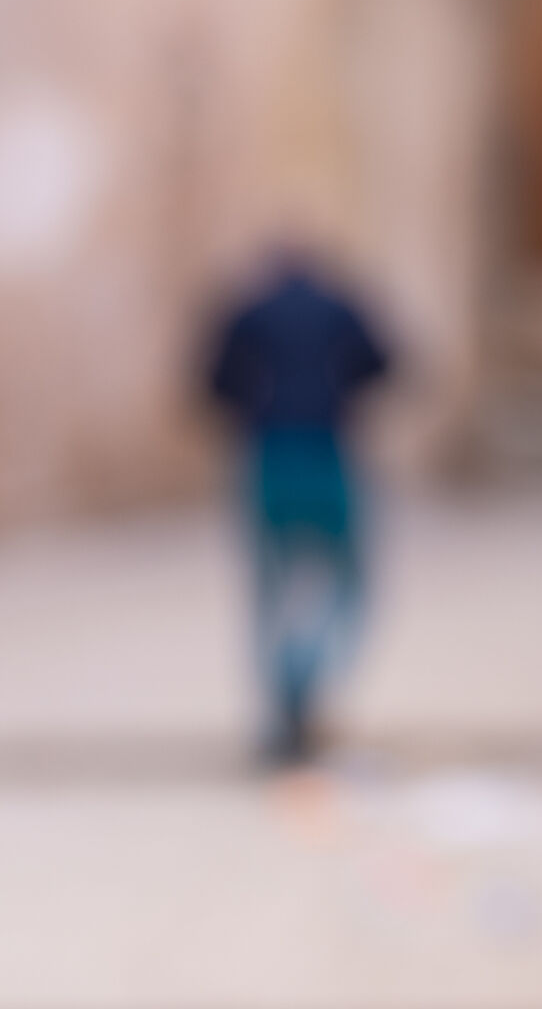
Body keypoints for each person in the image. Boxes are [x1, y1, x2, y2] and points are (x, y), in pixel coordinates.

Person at [203, 250, 391, 765]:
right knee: (346, 581)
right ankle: (306, 677)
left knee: (272, 588)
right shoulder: (341, 305)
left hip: (268, 453)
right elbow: (384, 364)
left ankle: (282, 700)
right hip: (328, 449)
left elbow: (211, 382)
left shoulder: (247, 310)